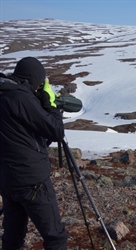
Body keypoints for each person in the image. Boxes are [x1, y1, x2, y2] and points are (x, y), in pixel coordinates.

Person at [0, 57, 68, 249]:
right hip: (32, 181)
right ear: (35, 79)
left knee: (13, 237)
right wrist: (50, 104)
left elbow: (23, 132)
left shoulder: (5, 93)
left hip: (7, 179)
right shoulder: (21, 98)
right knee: (55, 237)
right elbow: (55, 131)